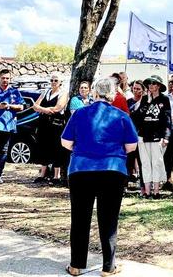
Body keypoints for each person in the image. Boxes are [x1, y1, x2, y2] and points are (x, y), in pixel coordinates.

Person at [61, 77, 138, 276]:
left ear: (94, 93)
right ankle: (108, 266)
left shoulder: (79, 113)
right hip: (112, 170)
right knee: (109, 220)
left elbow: (65, 142)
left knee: (79, 218)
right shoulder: (121, 116)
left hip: (81, 170)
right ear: (112, 94)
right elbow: (132, 146)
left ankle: (76, 265)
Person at [135, 75, 171, 199]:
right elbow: (137, 116)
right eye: (149, 83)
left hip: (157, 136)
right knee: (145, 163)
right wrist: (147, 102)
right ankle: (147, 190)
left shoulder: (164, 99)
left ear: (159, 86)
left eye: (154, 83)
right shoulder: (144, 99)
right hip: (143, 135)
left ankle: (156, 191)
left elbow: (167, 119)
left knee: (156, 162)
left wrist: (166, 136)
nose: (151, 86)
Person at [33, 73, 69, 185]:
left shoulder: (63, 93)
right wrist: (46, 110)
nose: (53, 82)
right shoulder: (45, 92)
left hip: (56, 126)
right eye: (52, 80)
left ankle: (56, 176)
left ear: (60, 82)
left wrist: (41, 109)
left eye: (56, 80)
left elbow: (58, 108)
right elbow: (35, 106)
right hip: (43, 125)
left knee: (56, 149)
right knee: (43, 147)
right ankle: (42, 174)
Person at [127, 80, 145, 190]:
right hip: (130, 135)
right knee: (129, 160)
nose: (136, 90)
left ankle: (143, 184)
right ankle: (126, 183)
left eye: (138, 88)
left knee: (142, 160)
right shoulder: (128, 102)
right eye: (134, 88)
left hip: (142, 135)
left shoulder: (146, 102)